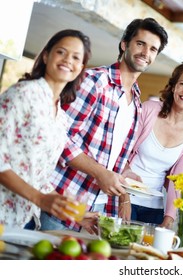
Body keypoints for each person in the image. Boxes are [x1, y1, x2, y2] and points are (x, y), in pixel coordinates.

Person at [39, 18, 168, 233]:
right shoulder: (94, 81)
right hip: (63, 199)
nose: (146, 52)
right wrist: (100, 173)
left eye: (153, 49)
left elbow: (114, 155)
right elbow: (59, 139)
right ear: (124, 44)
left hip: (98, 210)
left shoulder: (136, 101)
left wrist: (126, 176)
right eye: (140, 44)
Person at [0, 29, 92, 230]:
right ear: (45, 55)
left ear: (80, 68)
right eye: (61, 52)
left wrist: (72, 212)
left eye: (76, 57)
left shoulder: (61, 116)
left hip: (25, 220)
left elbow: (38, 176)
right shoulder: (23, 94)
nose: (68, 59)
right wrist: (40, 199)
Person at [122, 61, 183, 228]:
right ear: (173, 87)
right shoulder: (149, 109)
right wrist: (123, 197)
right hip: (120, 194)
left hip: (153, 206)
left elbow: (178, 179)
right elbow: (120, 152)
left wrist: (169, 217)